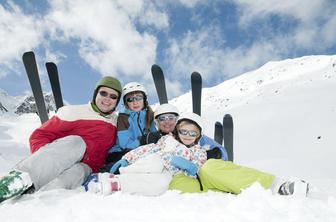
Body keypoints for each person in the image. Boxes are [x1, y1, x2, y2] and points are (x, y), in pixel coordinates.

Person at [0, 76, 122, 203]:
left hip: (86, 167)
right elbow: (39, 136)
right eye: (103, 93)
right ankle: (17, 180)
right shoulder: (72, 112)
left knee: (77, 173)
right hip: (64, 156)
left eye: (113, 96)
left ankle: (30, 201)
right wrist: (49, 160)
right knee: (77, 142)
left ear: (117, 101)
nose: (108, 99)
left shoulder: (116, 122)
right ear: (96, 93)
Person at [83, 112, 208, 196]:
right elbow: (148, 149)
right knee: (154, 162)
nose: (187, 136)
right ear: (177, 131)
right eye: (184, 131)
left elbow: (198, 169)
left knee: (160, 185)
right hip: (155, 162)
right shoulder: (168, 140)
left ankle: (117, 183)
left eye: (193, 133)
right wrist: (127, 159)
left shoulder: (199, 151)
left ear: (198, 136)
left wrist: (190, 166)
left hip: (170, 174)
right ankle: (112, 174)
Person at [103, 82, 157, 171]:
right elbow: (125, 144)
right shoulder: (124, 117)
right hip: (119, 153)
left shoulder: (149, 115)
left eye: (138, 98)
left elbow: (154, 136)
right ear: (126, 103)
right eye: (130, 99)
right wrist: (142, 140)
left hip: (140, 151)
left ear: (144, 99)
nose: (135, 102)